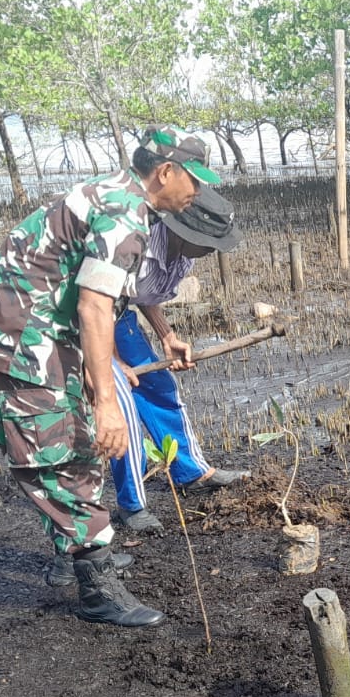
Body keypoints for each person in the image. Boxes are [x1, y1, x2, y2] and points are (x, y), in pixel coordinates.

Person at [0, 126, 217, 628]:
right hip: (18, 344)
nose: (198, 193)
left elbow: (107, 298)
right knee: (65, 452)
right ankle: (95, 584)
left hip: (31, 334)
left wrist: (156, 338)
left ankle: (75, 553)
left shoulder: (115, 196)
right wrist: (106, 401)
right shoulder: (124, 214)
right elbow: (96, 308)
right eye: (195, 181)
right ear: (166, 172)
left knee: (64, 446)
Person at [108, 190, 249, 542]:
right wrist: (112, 363)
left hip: (116, 312)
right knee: (120, 402)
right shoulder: (131, 241)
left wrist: (167, 336)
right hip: (77, 317)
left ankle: (191, 473)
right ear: (185, 233)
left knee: (158, 385)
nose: (213, 250)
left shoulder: (183, 256)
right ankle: (131, 505)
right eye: (209, 242)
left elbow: (138, 295)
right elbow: (96, 305)